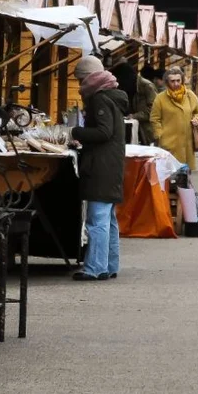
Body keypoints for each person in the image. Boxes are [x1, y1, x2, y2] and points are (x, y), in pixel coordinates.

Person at [70, 56, 128, 282]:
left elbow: (104, 132)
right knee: (108, 218)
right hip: (111, 164)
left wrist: (76, 132)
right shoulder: (112, 97)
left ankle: (94, 267)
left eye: (80, 79)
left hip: (101, 166)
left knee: (97, 219)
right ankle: (109, 265)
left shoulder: (99, 99)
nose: (79, 85)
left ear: (89, 77)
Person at [150, 66, 198, 171]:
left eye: (178, 80)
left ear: (182, 80)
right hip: (169, 144)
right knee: (169, 179)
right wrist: (160, 135)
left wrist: (197, 119)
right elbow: (154, 119)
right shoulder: (160, 98)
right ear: (167, 82)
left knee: (184, 180)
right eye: (172, 81)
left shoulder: (190, 95)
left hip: (187, 145)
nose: (176, 84)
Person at [110, 61, 157, 145]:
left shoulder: (147, 86)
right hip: (134, 130)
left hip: (146, 132)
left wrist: (134, 116)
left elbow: (153, 110)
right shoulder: (130, 86)